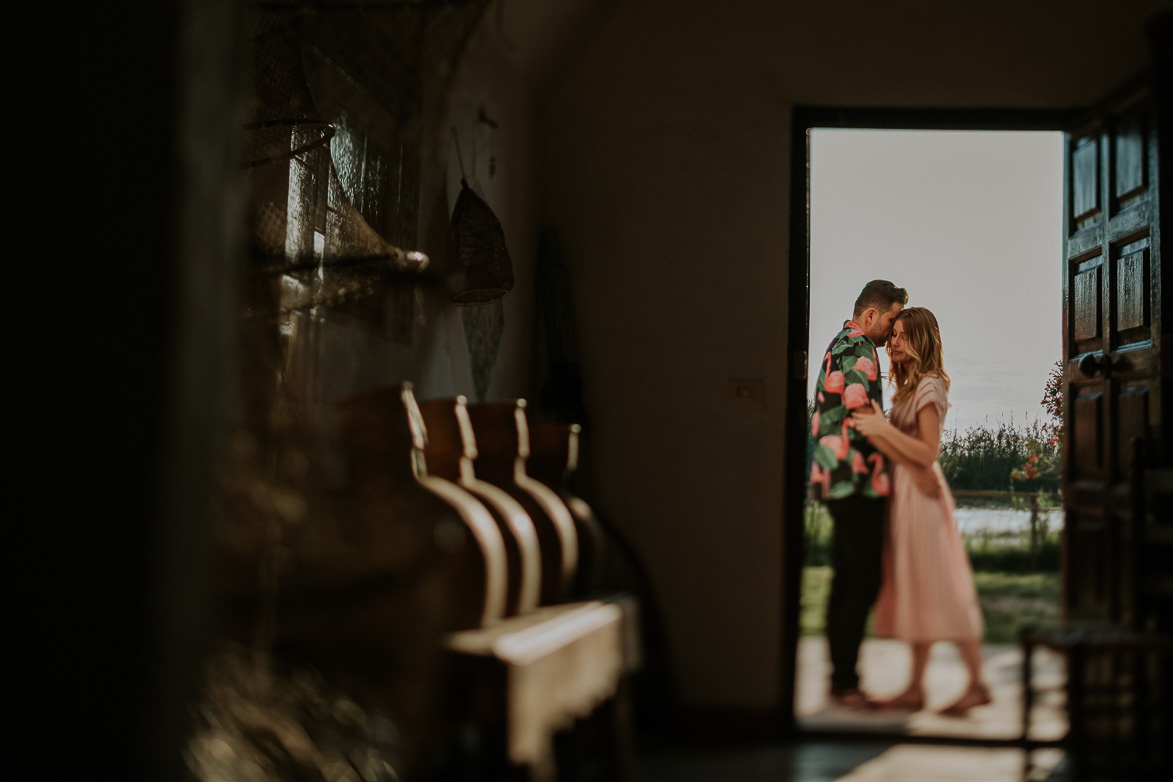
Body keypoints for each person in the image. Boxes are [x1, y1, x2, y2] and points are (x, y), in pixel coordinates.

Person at [851, 307, 991, 715]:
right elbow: (905, 452)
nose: (892, 342)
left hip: (922, 499)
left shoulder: (930, 386)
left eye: (901, 335)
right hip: (905, 494)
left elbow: (928, 453)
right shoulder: (908, 390)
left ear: (922, 339)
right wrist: (885, 437)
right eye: (891, 334)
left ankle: (977, 683)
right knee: (918, 587)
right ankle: (915, 687)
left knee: (939, 586)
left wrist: (881, 430)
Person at [810, 279, 907, 708]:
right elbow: (864, 417)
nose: (892, 329)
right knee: (864, 580)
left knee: (846, 578)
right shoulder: (860, 350)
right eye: (890, 319)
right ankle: (846, 683)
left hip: (836, 479)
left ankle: (840, 680)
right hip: (857, 480)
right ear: (871, 315)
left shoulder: (840, 343)